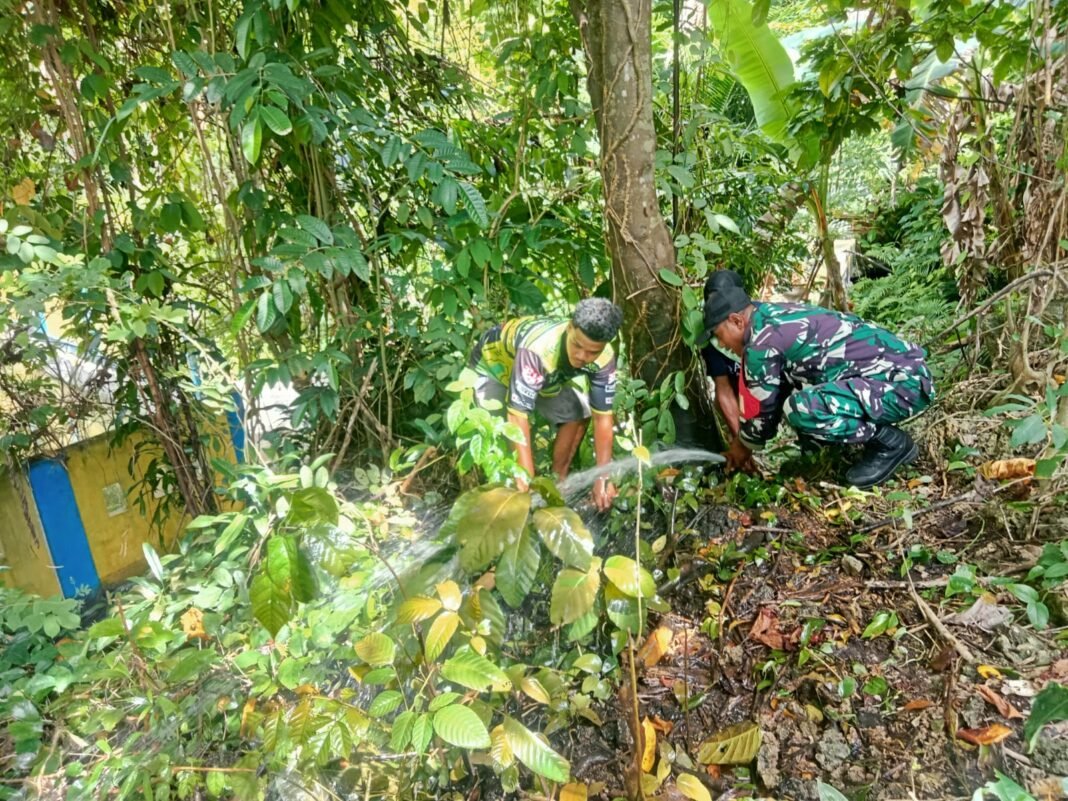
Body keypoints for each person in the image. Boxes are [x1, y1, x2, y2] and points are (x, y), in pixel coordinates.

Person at [700, 286, 934, 488]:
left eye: (719, 335)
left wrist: (740, 449)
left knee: (802, 408)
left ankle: (890, 443)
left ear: (737, 321)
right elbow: (775, 393)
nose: (721, 344)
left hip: (903, 386)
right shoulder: (772, 315)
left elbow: (762, 415)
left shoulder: (761, 344)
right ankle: (828, 452)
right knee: (793, 390)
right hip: (899, 378)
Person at [469, 298, 623, 511]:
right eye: (577, 345)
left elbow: (602, 418)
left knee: (579, 413)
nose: (581, 356)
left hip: (540, 376)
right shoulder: (539, 349)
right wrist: (527, 488)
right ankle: (508, 499)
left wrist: (602, 480)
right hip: (493, 369)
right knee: (497, 437)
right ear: (570, 328)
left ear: (604, 346)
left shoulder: (604, 358)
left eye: (592, 352)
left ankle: (558, 483)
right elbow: (517, 416)